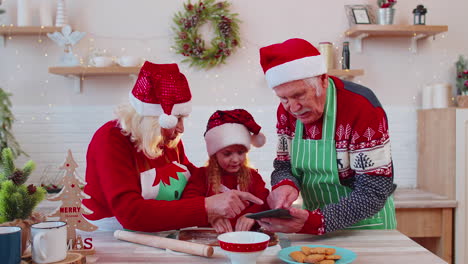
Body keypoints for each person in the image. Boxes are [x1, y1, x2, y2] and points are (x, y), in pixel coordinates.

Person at [82, 62, 263, 232]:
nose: (181, 128)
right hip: (111, 234)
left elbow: (194, 179)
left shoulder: (165, 140)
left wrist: (228, 176)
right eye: (176, 119)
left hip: (157, 229)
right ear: (153, 119)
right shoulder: (111, 139)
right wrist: (208, 207)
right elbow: (130, 213)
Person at [257, 38, 397, 234]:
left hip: (366, 228)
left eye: (299, 95)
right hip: (315, 225)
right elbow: (284, 166)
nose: (293, 108)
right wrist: (284, 185)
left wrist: (317, 222)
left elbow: (373, 191)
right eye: (283, 98)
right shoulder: (286, 111)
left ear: (322, 80)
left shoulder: (361, 107)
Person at [182, 109, 270, 233]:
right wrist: (210, 216)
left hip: (246, 237)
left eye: (240, 152)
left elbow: (265, 200)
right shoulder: (202, 175)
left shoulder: (253, 176)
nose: (235, 159)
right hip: (212, 237)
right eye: (227, 154)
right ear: (214, 154)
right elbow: (189, 202)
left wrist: (252, 215)